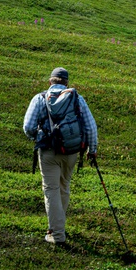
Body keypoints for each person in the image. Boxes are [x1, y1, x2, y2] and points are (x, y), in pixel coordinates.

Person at [23, 67, 98, 245]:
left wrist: (39, 137)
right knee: (64, 187)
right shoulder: (77, 99)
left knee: (51, 190)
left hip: (48, 151)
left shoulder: (40, 98)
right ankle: (59, 225)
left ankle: (56, 234)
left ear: (50, 82)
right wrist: (92, 150)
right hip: (71, 152)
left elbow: (28, 127)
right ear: (66, 83)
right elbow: (90, 128)